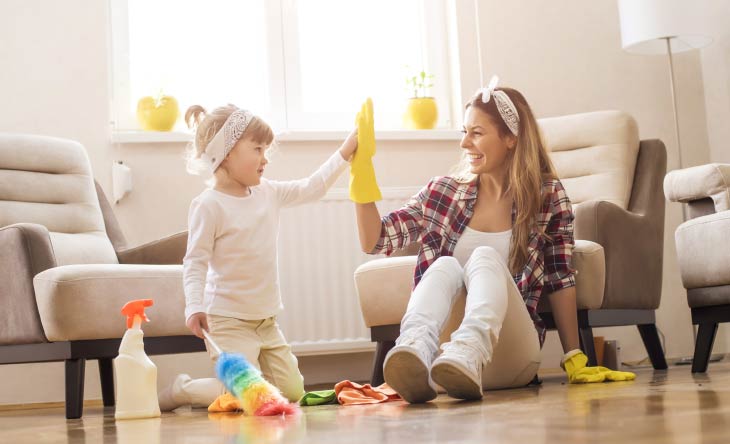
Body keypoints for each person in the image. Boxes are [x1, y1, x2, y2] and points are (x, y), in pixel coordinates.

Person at [350, 77, 635, 404]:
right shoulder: (443, 193)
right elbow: (376, 240)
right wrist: (362, 175)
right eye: (464, 132)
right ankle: (413, 347)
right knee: (443, 265)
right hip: (441, 365)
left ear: (511, 138)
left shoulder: (547, 197)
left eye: (477, 133)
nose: (464, 143)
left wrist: (575, 356)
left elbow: (560, 278)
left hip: (509, 357)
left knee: (484, 257)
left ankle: (470, 349)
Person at [158, 104, 358, 411]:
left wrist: (345, 152)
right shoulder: (209, 205)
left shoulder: (268, 193)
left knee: (291, 392)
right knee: (243, 395)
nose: (265, 159)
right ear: (225, 154)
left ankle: (245, 385)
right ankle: (182, 389)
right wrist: (194, 306)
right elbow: (195, 262)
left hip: (266, 321)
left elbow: (311, 187)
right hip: (227, 321)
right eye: (258, 149)